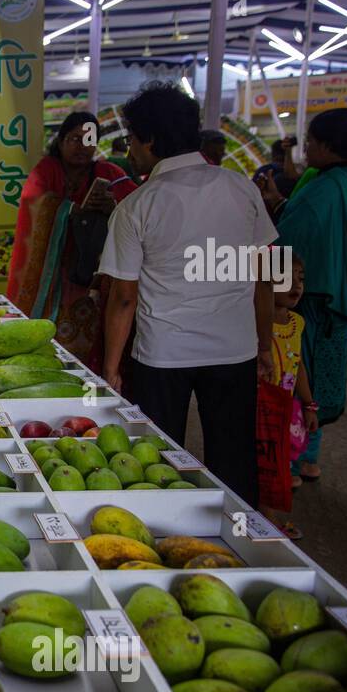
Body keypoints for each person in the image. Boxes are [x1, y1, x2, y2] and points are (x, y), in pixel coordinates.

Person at [99, 82, 278, 507]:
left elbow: (124, 297)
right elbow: (265, 276)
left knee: (157, 458)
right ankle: (242, 538)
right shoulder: (242, 188)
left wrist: (110, 368)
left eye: (132, 139)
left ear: (151, 140)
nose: (130, 150)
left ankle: (163, 532)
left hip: (164, 354)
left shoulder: (139, 205)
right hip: (234, 349)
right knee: (234, 459)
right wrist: (265, 343)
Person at [264, 108, 347, 483]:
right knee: (319, 381)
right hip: (337, 299)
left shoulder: (323, 188)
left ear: (329, 146)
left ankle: (292, 462)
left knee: (295, 374)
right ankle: (309, 458)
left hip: (312, 300)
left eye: (311, 143)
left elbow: (288, 243)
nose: (306, 151)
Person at [6, 111, 137, 370]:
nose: (82, 146)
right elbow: (34, 204)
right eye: (75, 139)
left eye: (89, 140)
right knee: (49, 338)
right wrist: (69, 210)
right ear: (62, 140)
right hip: (53, 275)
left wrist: (113, 207)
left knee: (92, 341)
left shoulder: (108, 171)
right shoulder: (47, 170)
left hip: (94, 276)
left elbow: (137, 207)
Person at [258, 257, 318, 537]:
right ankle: (267, 519)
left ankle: (267, 514)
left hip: (287, 405)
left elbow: (300, 365)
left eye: (301, 278)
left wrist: (308, 404)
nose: (296, 285)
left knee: (282, 460)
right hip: (262, 406)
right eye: (286, 279)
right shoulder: (259, 323)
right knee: (265, 463)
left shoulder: (298, 323)